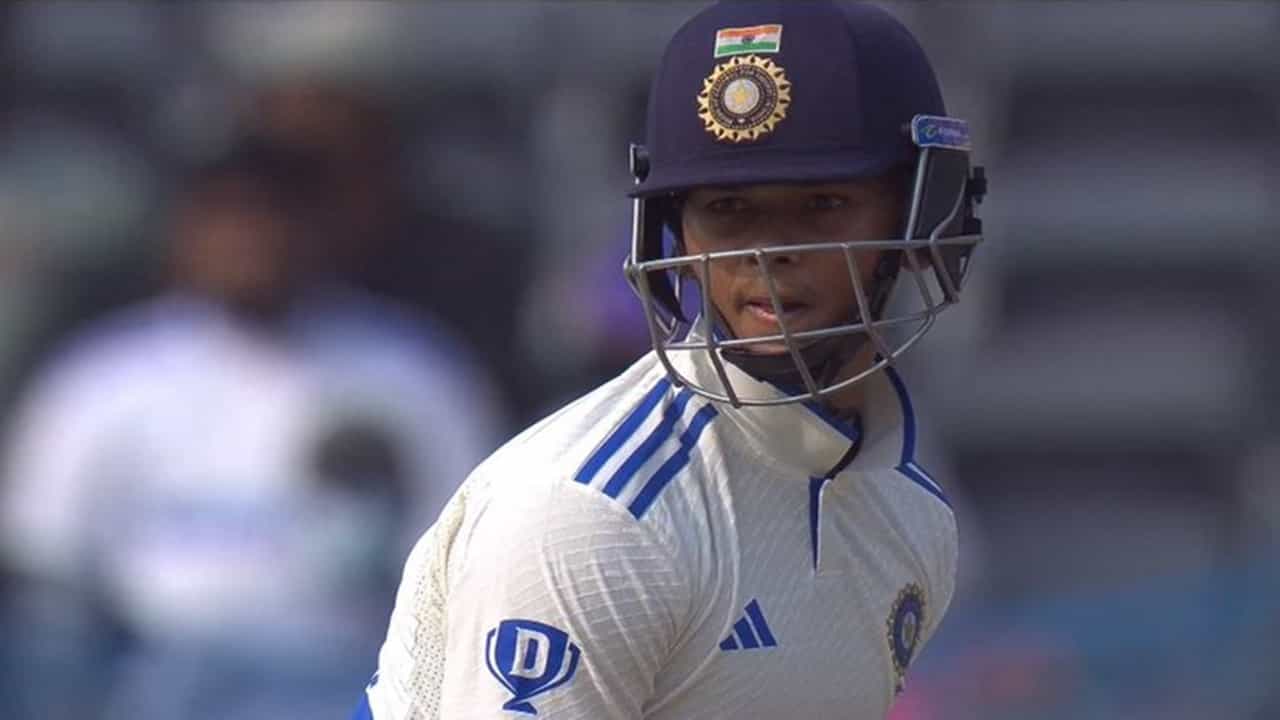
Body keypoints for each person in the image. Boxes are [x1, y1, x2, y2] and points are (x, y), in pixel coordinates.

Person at [358, 1, 986, 718]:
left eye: (821, 203)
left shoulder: (912, 515)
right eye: (728, 209)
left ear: (921, 213)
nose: (767, 252)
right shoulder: (593, 515)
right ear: (674, 231)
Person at [0, 134, 503, 719]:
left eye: (272, 220)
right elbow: (47, 563)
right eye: (228, 222)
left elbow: (466, 564)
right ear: (186, 234)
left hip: (344, 667)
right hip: (150, 669)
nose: (251, 244)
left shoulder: (413, 370)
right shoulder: (105, 372)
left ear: (320, 231)